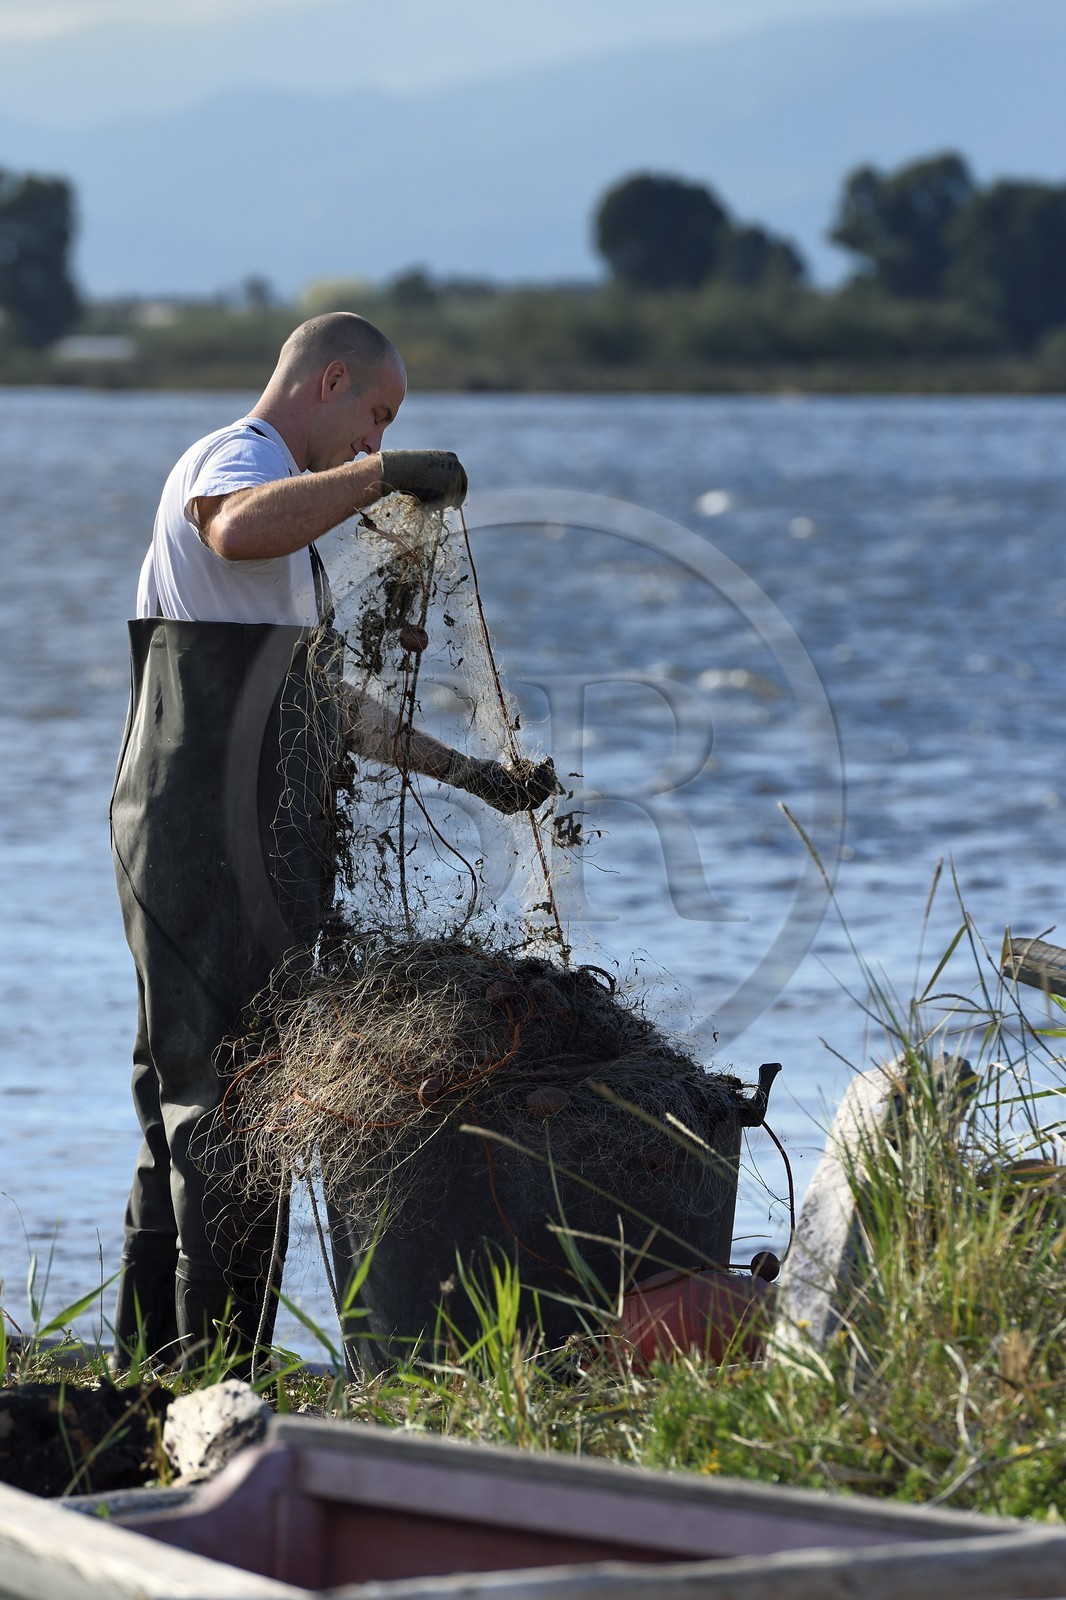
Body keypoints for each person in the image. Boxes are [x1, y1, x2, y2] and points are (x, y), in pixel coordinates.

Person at [111, 312, 556, 1369]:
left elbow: (323, 706)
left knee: (190, 1096)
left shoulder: (284, 533)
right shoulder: (239, 462)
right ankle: (215, 1371)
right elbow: (233, 526)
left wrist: (473, 775)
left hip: (234, 844)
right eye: (375, 417)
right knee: (229, 1104)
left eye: (387, 434)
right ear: (332, 379)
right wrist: (381, 478)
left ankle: (152, 1371)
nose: (372, 445)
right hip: (198, 837)